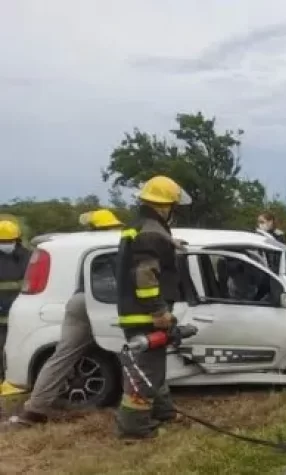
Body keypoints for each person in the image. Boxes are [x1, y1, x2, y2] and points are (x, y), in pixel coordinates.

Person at [3, 209, 123, 430]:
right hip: (103, 304)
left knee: (63, 356)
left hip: (75, 304)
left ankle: (34, 410)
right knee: (137, 352)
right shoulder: (112, 247)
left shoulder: (85, 247)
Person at [115, 175, 192, 440]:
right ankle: (134, 428)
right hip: (144, 314)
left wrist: (171, 244)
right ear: (164, 206)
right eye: (173, 205)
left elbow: (143, 258)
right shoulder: (151, 232)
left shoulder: (141, 226)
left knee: (155, 368)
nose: (174, 211)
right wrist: (158, 311)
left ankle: (163, 413)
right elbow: (145, 275)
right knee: (146, 371)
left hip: (136, 310)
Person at [0, 218, 31, 382]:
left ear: (17, 240)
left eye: (9, 241)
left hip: (22, 313)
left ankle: (16, 379)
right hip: (1, 315)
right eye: (2, 241)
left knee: (20, 349)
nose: (6, 244)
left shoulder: (27, 257)